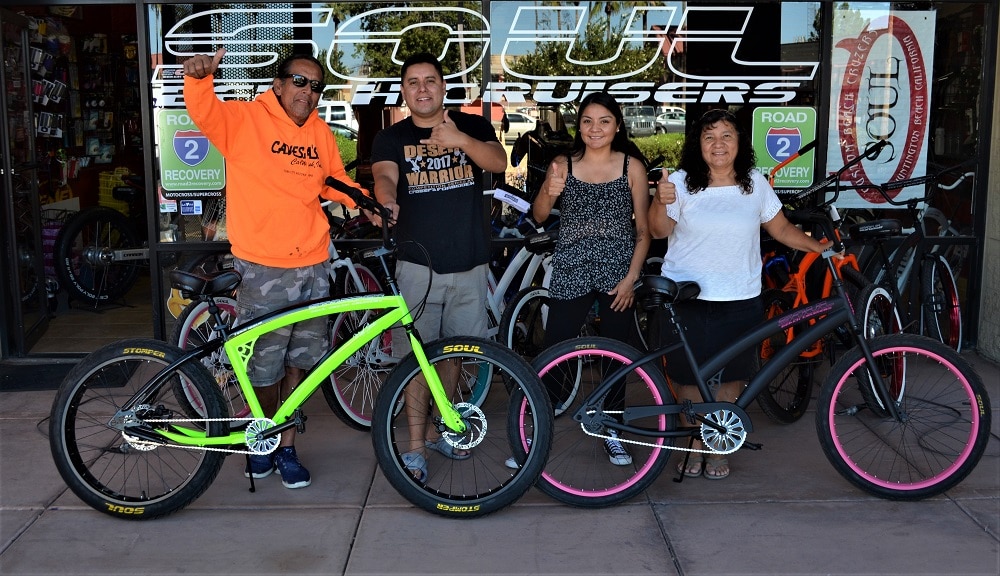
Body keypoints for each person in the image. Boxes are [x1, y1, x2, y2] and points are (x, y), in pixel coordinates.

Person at [183, 48, 361, 489]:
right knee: (265, 367)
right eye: (299, 82)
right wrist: (200, 80)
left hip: (314, 264)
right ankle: (262, 438)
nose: (308, 92)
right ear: (278, 85)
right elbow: (205, 113)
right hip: (263, 267)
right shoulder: (246, 120)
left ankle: (285, 446)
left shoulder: (320, 133)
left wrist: (368, 203)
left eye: (316, 86)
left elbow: (334, 180)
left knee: (300, 361)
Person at [648, 108, 830, 480]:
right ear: (697, 144)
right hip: (688, 297)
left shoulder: (754, 183)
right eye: (709, 136)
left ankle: (717, 442)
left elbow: (780, 229)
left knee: (734, 376)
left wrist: (820, 249)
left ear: (739, 142)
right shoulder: (680, 183)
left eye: (727, 135)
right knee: (687, 378)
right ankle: (694, 442)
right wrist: (659, 199)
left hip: (740, 295)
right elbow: (658, 230)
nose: (718, 144)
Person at [369, 52, 507, 482]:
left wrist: (459, 141)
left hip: (468, 263)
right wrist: (387, 198)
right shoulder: (391, 137)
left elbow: (499, 163)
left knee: (452, 355)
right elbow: (385, 176)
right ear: (405, 91)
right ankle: (414, 447)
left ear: (444, 87)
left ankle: (444, 427)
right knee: (414, 359)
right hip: (416, 267)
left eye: (430, 80)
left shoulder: (473, 126)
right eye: (413, 82)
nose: (423, 88)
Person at [524, 91, 652, 467]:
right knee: (554, 355)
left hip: (618, 274)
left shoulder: (632, 167)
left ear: (617, 126)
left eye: (604, 121)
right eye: (587, 121)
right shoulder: (563, 162)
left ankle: (612, 431)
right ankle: (538, 438)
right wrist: (550, 191)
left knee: (616, 357)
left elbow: (643, 231)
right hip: (571, 268)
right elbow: (540, 214)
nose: (595, 129)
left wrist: (632, 279)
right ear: (578, 126)